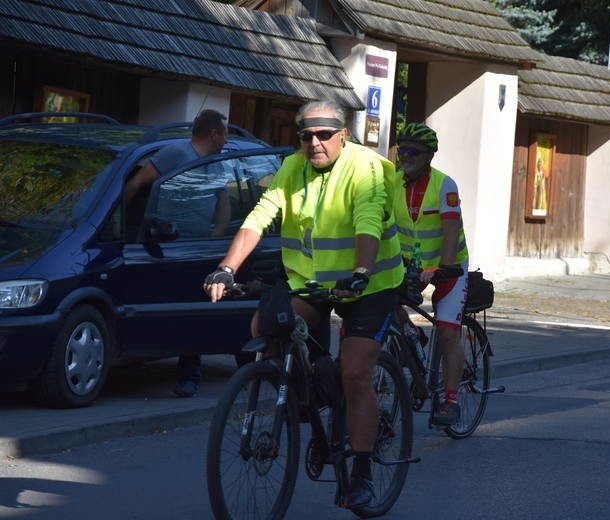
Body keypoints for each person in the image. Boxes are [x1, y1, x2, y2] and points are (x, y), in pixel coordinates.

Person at [203, 100, 404, 508]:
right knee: (265, 326)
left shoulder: (362, 168)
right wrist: (226, 268)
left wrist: (361, 272)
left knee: (354, 372)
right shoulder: (293, 167)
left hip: (370, 283)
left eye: (324, 135)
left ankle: (362, 476)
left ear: (342, 136)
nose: (315, 143)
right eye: (306, 136)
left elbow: (368, 222)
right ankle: (306, 396)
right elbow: (261, 215)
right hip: (315, 280)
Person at [124, 108, 229, 398]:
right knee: (168, 307)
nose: (227, 139)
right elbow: (137, 182)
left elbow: (223, 204)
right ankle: (143, 361)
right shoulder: (175, 154)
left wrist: (217, 237)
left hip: (200, 248)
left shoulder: (217, 163)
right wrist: (120, 222)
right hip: (165, 246)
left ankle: (189, 376)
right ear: (214, 134)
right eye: (225, 132)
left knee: (194, 312)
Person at [393, 122, 469, 426]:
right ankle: (412, 334)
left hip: (448, 267)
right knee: (383, 303)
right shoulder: (392, 181)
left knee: (449, 332)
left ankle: (450, 400)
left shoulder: (444, 185)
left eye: (414, 151)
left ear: (429, 155)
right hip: (407, 266)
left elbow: (450, 231)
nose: (406, 155)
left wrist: (442, 267)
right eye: (402, 149)